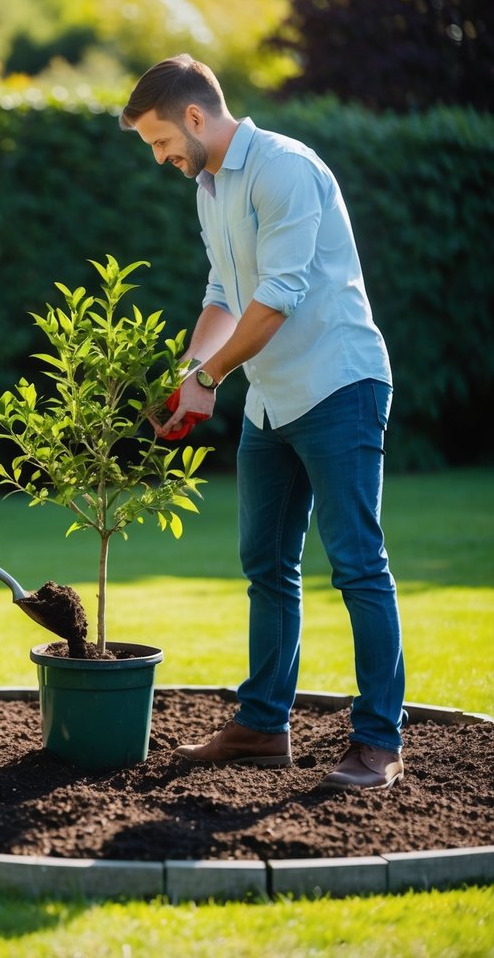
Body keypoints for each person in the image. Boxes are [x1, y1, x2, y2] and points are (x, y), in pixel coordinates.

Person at [120, 56, 405, 790]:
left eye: (159, 142)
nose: (160, 159)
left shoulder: (284, 169)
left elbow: (276, 297)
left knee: (355, 563)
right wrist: (189, 377)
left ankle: (377, 743)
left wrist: (212, 377)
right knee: (266, 566)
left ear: (192, 116)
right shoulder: (210, 188)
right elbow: (224, 291)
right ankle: (261, 726)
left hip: (338, 384)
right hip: (272, 399)